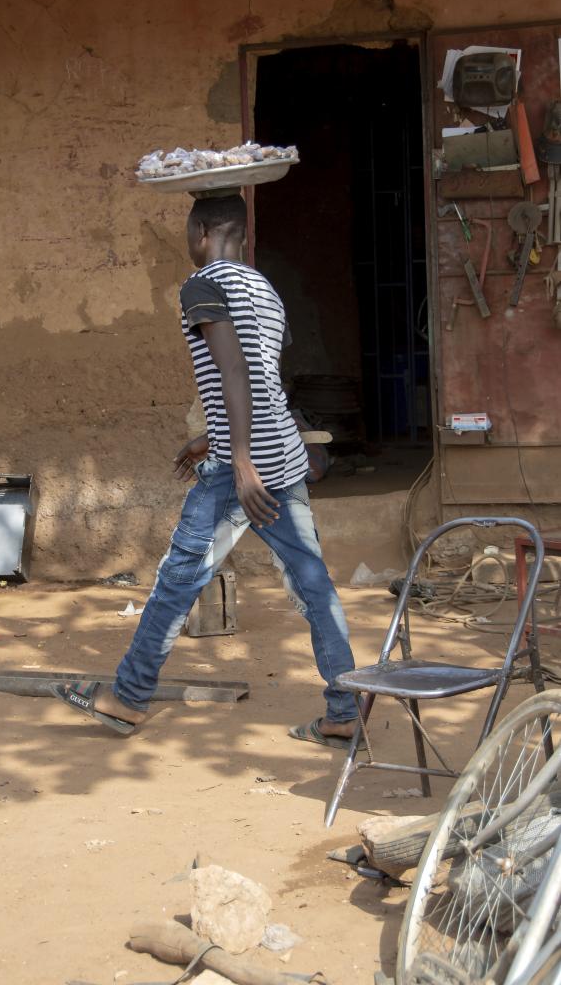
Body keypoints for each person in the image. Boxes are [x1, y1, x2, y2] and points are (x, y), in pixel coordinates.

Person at [52, 192, 359, 747]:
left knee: (177, 580)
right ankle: (343, 708)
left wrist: (237, 460)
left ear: (200, 233)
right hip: (282, 455)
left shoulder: (201, 286)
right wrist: (209, 437)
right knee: (314, 583)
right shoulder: (264, 289)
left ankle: (127, 698)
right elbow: (265, 378)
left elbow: (236, 371)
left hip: (241, 469)